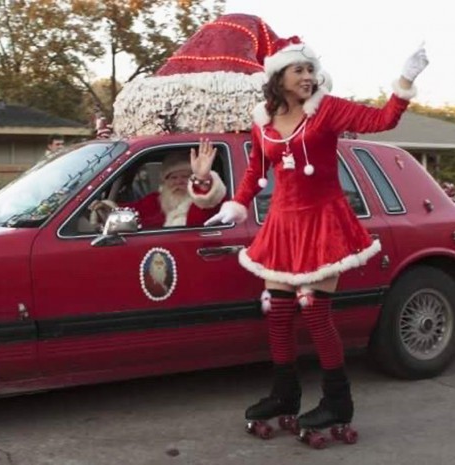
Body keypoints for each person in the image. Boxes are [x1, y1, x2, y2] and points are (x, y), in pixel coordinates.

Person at [206, 36, 429, 440]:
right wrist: (235, 204)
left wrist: (404, 81)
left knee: (313, 310)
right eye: (300, 70)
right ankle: (284, 394)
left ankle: (337, 402)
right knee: (277, 311)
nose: (309, 77)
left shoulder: (326, 109)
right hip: (282, 225)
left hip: (323, 222)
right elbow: (256, 172)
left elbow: (382, 121)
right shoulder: (264, 120)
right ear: (279, 76)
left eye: (311, 70)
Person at [82, 139, 226, 231]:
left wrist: (202, 178)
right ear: (165, 181)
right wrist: (107, 208)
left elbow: (205, 203)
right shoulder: (156, 200)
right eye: (173, 177)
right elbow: (131, 213)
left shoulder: (203, 202)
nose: (179, 181)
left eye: (185, 176)